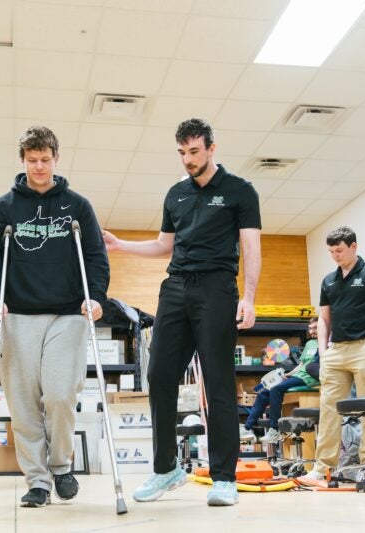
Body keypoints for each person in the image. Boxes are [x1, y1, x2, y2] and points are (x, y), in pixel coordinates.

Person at [102, 118, 261, 507]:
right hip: (175, 288)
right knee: (158, 375)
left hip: (217, 288)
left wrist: (250, 297)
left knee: (218, 381)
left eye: (194, 151)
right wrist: (121, 245)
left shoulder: (241, 191)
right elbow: (163, 246)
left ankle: (225, 477)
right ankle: (166, 469)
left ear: (211, 148)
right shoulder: (175, 195)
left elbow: (252, 248)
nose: (188, 160)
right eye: (182, 153)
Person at [0, 126, 110, 508]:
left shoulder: (78, 206)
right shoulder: (3, 208)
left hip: (68, 313)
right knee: (22, 403)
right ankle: (37, 481)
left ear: (56, 158)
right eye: (32, 161)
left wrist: (95, 297)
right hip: (17, 314)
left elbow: (96, 256)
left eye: (45, 160)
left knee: (61, 394)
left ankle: (61, 464)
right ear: (22, 161)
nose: (38, 167)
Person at [301, 226, 365, 484]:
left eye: (340, 250)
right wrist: (323, 353)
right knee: (328, 410)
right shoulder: (328, 280)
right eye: (331, 251)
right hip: (337, 351)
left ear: (354, 246)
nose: (335, 255)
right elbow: (324, 319)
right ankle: (322, 467)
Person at [244, 317, 319, 442]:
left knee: (276, 389)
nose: (312, 331)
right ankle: (247, 428)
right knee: (263, 392)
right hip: (298, 375)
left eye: (315, 328)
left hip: (310, 377)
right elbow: (302, 364)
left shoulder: (325, 342)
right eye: (310, 328)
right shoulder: (309, 343)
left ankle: (275, 430)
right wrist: (289, 373)